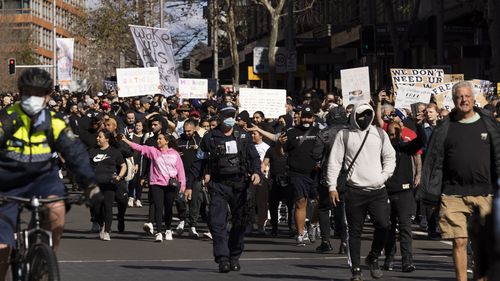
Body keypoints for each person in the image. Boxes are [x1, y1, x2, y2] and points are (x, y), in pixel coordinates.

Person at [0, 68, 101, 279]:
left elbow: (76, 153)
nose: (34, 98)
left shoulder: (55, 121)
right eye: (29, 92)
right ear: (20, 93)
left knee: (57, 208)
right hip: (6, 183)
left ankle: (46, 258)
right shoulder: (7, 118)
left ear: (48, 96)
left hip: (43, 180)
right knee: (2, 248)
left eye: (40, 93)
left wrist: (90, 185)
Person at [417, 81, 500, 281]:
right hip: (453, 194)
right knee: (460, 241)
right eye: (459, 97)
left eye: (467, 96)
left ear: (474, 99)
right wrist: (431, 196)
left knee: (483, 246)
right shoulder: (445, 127)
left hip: (485, 193)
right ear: (454, 101)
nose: (464, 100)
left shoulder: (488, 123)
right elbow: (434, 162)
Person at [186, 103, 261, 273]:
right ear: (219, 117)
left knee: (240, 223)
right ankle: (223, 258)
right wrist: (190, 185)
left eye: (233, 115)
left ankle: (234, 256)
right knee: (217, 222)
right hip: (219, 185)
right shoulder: (210, 137)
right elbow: (198, 162)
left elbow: (254, 157)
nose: (230, 119)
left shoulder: (243, 136)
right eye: (226, 115)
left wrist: (256, 172)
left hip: (240, 185)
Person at [326, 101, 396, 281]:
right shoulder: (344, 135)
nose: (364, 118)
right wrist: (332, 186)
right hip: (354, 191)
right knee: (354, 232)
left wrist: (383, 176)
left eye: (368, 114)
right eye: (360, 114)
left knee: (384, 226)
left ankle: (373, 257)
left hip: (378, 190)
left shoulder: (379, 134)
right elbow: (334, 161)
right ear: (354, 115)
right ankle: (356, 269)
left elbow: (390, 157)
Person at [119, 130, 186, 242]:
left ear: (167, 141)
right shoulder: (153, 151)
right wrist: (125, 140)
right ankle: (159, 232)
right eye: (157, 139)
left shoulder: (174, 154)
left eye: (160, 139)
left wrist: (182, 185)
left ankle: (168, 229)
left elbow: (181, 171)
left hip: (171, 184)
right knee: (158, 208)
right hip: (156, 184)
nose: (158, 141)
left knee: (168, 208)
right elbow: (139, 147)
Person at [382, 121, 424, 272]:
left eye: (396, 133)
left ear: (401, 133)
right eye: (391, 134)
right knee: (388, 228)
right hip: (386, 192)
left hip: (404, 193)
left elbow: (420, 142)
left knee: (405, 227)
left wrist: (419, 125)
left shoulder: (406, 147)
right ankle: (389, 258)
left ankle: (407, 261)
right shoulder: (382, 149)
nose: (393, 136)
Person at [279, 105, 321, 246]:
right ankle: (300, 234)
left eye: (309, 117)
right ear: (299, 117)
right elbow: (281, 152)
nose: (306, 119)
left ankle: (313, 224)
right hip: (297, 173)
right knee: (300, 202)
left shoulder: (319, 132)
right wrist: (280, 144)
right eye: (304, 116)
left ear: (313, 118)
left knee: (321, 201)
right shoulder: (291, 132)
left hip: (315, 173)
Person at [312, 106, 349, 253]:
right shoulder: (352, 132)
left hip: (328, 172)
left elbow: (316, 154)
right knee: (343, 207)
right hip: (348, 173)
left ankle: (326, 241)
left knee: (324, 207)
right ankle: (344, 241)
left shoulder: (324, 133)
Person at [88, 130, 127, 241]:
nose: (97, 138)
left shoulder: (115, 152)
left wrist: (119, 177)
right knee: (97, 209)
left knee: (108, 206)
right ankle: (101, 224)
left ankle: (107, 231)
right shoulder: (92, 151)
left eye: (100, 137)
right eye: (97, 136)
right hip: (95, 184)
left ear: (106, 139)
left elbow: (123, 165)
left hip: (110, 183)